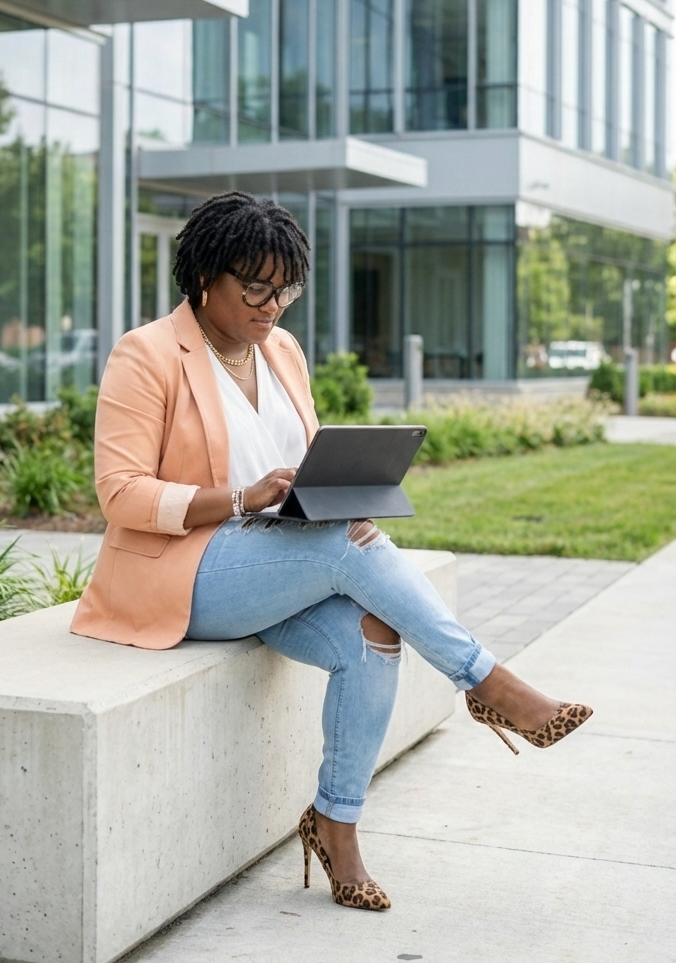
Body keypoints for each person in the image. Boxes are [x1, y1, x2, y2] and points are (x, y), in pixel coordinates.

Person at [71, 191, 592, 912]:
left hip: (279, 560)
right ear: (204, 279)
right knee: (346, 549)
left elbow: (301, 460)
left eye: (285, 289)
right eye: (255, 287)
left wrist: (338, 490)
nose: (272, 305)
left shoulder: (282, 351)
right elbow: (119, 492)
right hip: (187, 570)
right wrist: (243, 498)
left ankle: (335, 824)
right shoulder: (148, 353)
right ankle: (488, 683)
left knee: (375, 629)